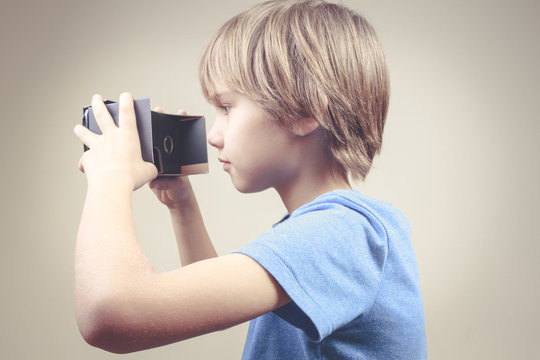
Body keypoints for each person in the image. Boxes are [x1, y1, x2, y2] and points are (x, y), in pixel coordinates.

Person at [73, 0, 427, 358]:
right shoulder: (334, 233)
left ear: (305, 112)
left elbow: (111, 315)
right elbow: (211, 299)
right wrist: (183, 207)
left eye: (226, 108)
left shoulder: (339, 233)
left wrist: (110, 177)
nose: (214, 135)